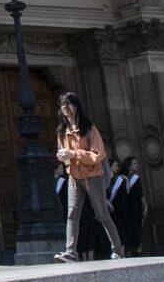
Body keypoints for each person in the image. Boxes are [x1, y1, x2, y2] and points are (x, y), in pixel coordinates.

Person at [52, 92, 125, 263]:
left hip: (92, 176)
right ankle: (70, 252)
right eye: (63, 104)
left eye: (68, 104)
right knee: (72, 214)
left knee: (102, 215)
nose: (65, 107)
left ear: (76, 106)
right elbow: (64, 154)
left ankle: (117, 250)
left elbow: (97, 154)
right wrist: (62, 156)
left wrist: (73, 153)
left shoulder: (89, 129)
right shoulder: (62, 132)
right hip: (74, 177)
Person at [109, 156, 146, 256]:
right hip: (130, 207)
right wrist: (144, 205)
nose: (136, 165)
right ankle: (134, 250)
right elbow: (137, 193)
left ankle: (133, 250)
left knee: (133, 228)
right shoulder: (123, 178)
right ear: (129, 166)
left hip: (130, 207)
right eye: (134, 163)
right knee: (132, 228)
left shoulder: (127, 178)